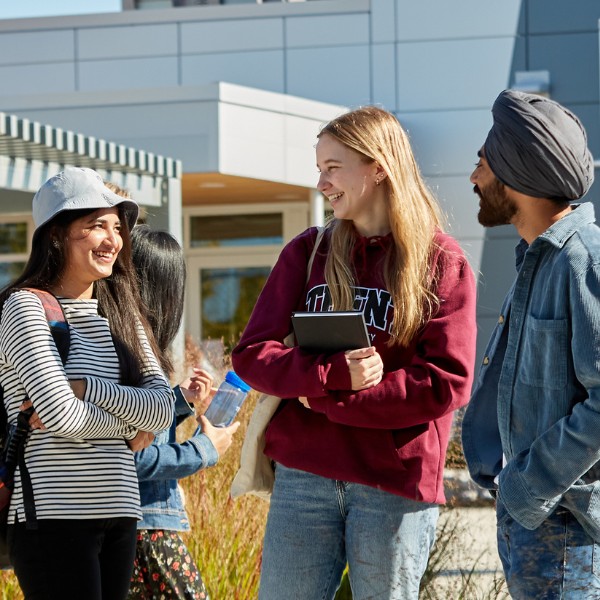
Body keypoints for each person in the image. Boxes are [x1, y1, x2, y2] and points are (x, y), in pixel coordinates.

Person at [231, 106, 477, 599]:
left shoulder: (441, 262)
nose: (321, 182)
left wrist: (328, 401)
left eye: (332, 167)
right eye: (319, 168)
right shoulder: (308, 252)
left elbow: (447, 381)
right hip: (305, 476)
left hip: (393, 484)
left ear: (378, 167)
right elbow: (251, 355)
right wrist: (330, 375)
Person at [0, 167, 174, 599]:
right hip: (52, 516)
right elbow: (59, 415)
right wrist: (131, 426)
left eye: (117, 227)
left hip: (119, 511)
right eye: (97, 225)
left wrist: (84, 389)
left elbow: (164, 409)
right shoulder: (25, 307)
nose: (113, 239)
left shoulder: (123, 313)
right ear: (56, 235)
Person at [461, 90, 600, 598]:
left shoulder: (584, 260)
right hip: (536, 521)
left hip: (566, 527)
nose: (473, 178)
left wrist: (528, 485)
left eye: (482, 162)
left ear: (518, 171)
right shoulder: (537, 259)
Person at [125, 223, 240, 600]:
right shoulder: (132, 356)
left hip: (138, 526)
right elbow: (131, 458)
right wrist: (204, 449)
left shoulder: (130, 350)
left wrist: (179, 402)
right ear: (164, 292)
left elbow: (141, 426)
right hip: (148, 528)